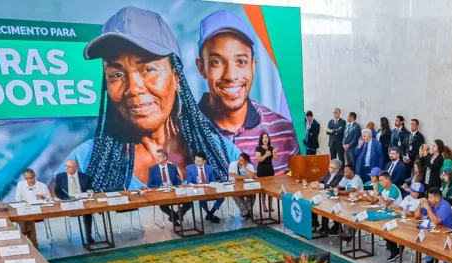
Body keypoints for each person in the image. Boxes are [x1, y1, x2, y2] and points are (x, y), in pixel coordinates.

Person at [67, 7, 238, 192]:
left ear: (176, 77)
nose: (133, 89)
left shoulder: (223, 155)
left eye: (147, 69)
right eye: (116, 74)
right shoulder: (84, 162)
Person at [195, 10, 298, 174]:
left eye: (241, 61)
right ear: (201, 68)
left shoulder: (284, 131)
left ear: (253, 66)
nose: (231, 76)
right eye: (217, 62)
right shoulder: (180, 133)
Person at [53, 159, 95, 244]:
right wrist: (65, 199)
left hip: (82, 201)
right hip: (67, 201)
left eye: (69, 167)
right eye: (66, 166)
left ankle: (88, 235)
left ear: (76, 167)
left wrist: (90, 192)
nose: (67, 168)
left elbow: (90, 189)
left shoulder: (85, 177)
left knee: (88, 212)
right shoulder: (60, 176)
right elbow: (57, 191)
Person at [420, 188, 452, 263]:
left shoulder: (445, 206)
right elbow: (419, 215)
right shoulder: (431, 203)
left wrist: (428, 208)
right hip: (433, 230)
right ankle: (430, 261)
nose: (428, 200)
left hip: (446, 232)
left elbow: (436, 221)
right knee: (425, 240)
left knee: (444, 249)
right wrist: (420, 205)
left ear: (437, 198)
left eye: (430, 198)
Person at [146, 149, 189, 224]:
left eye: (159, 156)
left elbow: (178, 181)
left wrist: (176, 186)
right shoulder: (152, 169)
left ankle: (178, 215)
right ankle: (174, 217)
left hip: (173, 191)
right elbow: (149, 184)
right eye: (156, 156)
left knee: (189, 202)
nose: (157, 158)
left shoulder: (173, 167)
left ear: (165, 157)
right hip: (161, 192)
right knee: (163, 205)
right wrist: (160, 186)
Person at [387, 183, 426, 261]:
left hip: (414, 225)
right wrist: (393, 207)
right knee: (388, 230)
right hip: (403, 221)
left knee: (399, 232)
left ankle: (398, 250)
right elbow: (401, 206)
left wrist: (400, 211)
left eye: (413, 191)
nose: (411, 192)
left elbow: (413, 214)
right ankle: (395, 251)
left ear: (419, 193)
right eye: (411, 190)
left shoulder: (422, 201)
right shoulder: (408, 197)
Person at [186, 152, 222, 223]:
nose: (196, 162)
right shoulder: (189, 168)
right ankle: (209, 214)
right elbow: (189, 183)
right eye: (196, 160)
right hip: (196, 189)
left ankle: (211, 213)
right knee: (201, 196)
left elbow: (213, 181)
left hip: (208, 189)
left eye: (199, 161)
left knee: (221, 196)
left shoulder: (209, 168)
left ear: (204, 161)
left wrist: (211, 185)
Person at [229, 152, 257, 219]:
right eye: (239, 159)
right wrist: (246, 177)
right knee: (236, 195)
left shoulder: (250, 165)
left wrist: (244, 168)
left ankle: (246, 212)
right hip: (235, 185)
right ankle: (246, 212)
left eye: (241, 160)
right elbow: (233, 175)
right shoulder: (233, 164)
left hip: (247, 185)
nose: (239, 161)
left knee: (252, 195)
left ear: (246, 161)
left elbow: (253, 176)